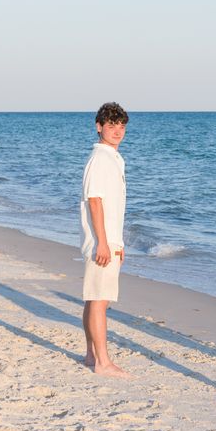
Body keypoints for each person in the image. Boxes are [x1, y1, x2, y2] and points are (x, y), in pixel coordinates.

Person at [80, 102, 129, 378]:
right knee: (100, 300)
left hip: (109, 239)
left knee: (94, 299)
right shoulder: (100, 158)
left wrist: (117, 242)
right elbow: (95, 201)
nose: (117, 131)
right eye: (111, 125)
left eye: (121, 126)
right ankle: (103, 362)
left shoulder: (111, 157)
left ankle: (91, 355)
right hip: (102, 241)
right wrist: (103, 242)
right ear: (99, 127)